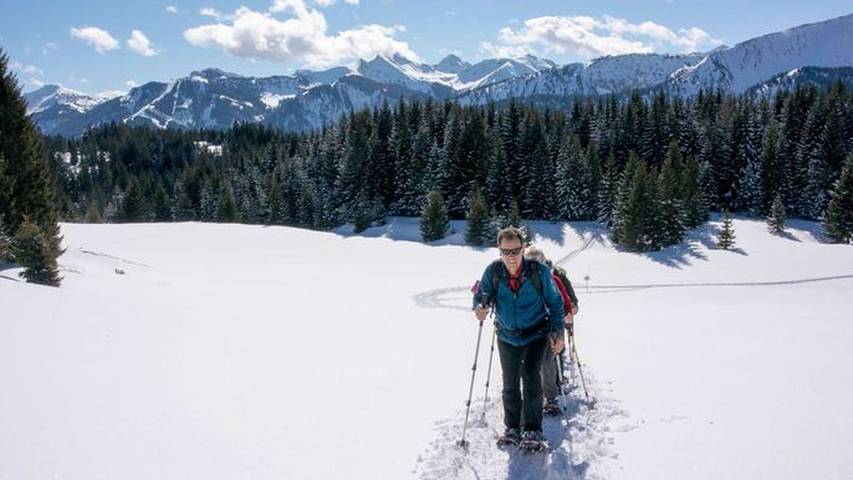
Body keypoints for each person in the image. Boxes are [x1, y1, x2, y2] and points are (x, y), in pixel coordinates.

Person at [472, 227, 565, 451]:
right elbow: (481, 295)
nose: (511, 257)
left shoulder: (539, 272)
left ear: (523, 248)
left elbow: (555, 303)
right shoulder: (493, 272)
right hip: (507, 336)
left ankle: (532, 430)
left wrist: (558, 332)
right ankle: (512, 428)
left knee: (531, 376)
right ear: (500, 251)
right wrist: (479, 307)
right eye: (506, 252)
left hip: (536, 333)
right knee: (510, 382)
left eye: (515, 251)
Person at [525, 247, 579, 416]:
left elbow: (564, 299)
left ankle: (551, 395)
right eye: (530, 262)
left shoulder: (555, 277)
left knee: (550, 359)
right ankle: (534, 393)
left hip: (550, 323)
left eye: (537, 262)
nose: (534, 265)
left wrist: (568, 313)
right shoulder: (521, 279)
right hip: (529, 325)